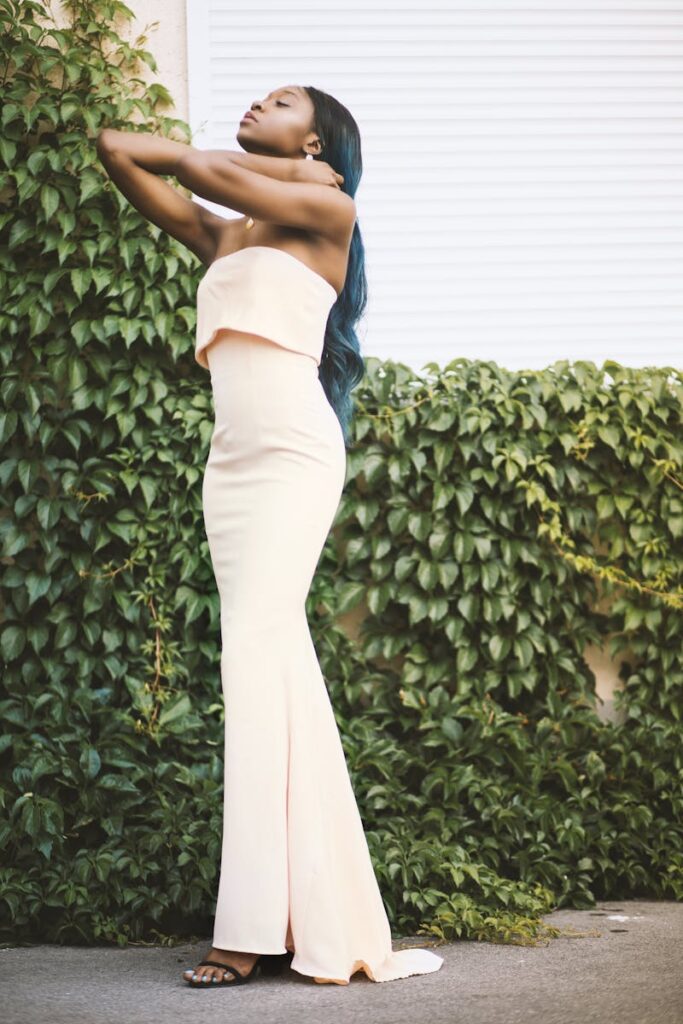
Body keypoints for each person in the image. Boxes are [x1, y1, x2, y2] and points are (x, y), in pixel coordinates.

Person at [96, 84, 444, 988]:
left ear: (321, 139)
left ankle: (245, 928)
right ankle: (312, 903)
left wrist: (292, 170)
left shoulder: (328, 208)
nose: (255, 100)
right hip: (231, 464)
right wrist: (275, 158)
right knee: (269, 659)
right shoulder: (230, 233)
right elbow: (118, 146)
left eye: (279, 99)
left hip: (291, 451)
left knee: (253, 654)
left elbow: (201, 165)